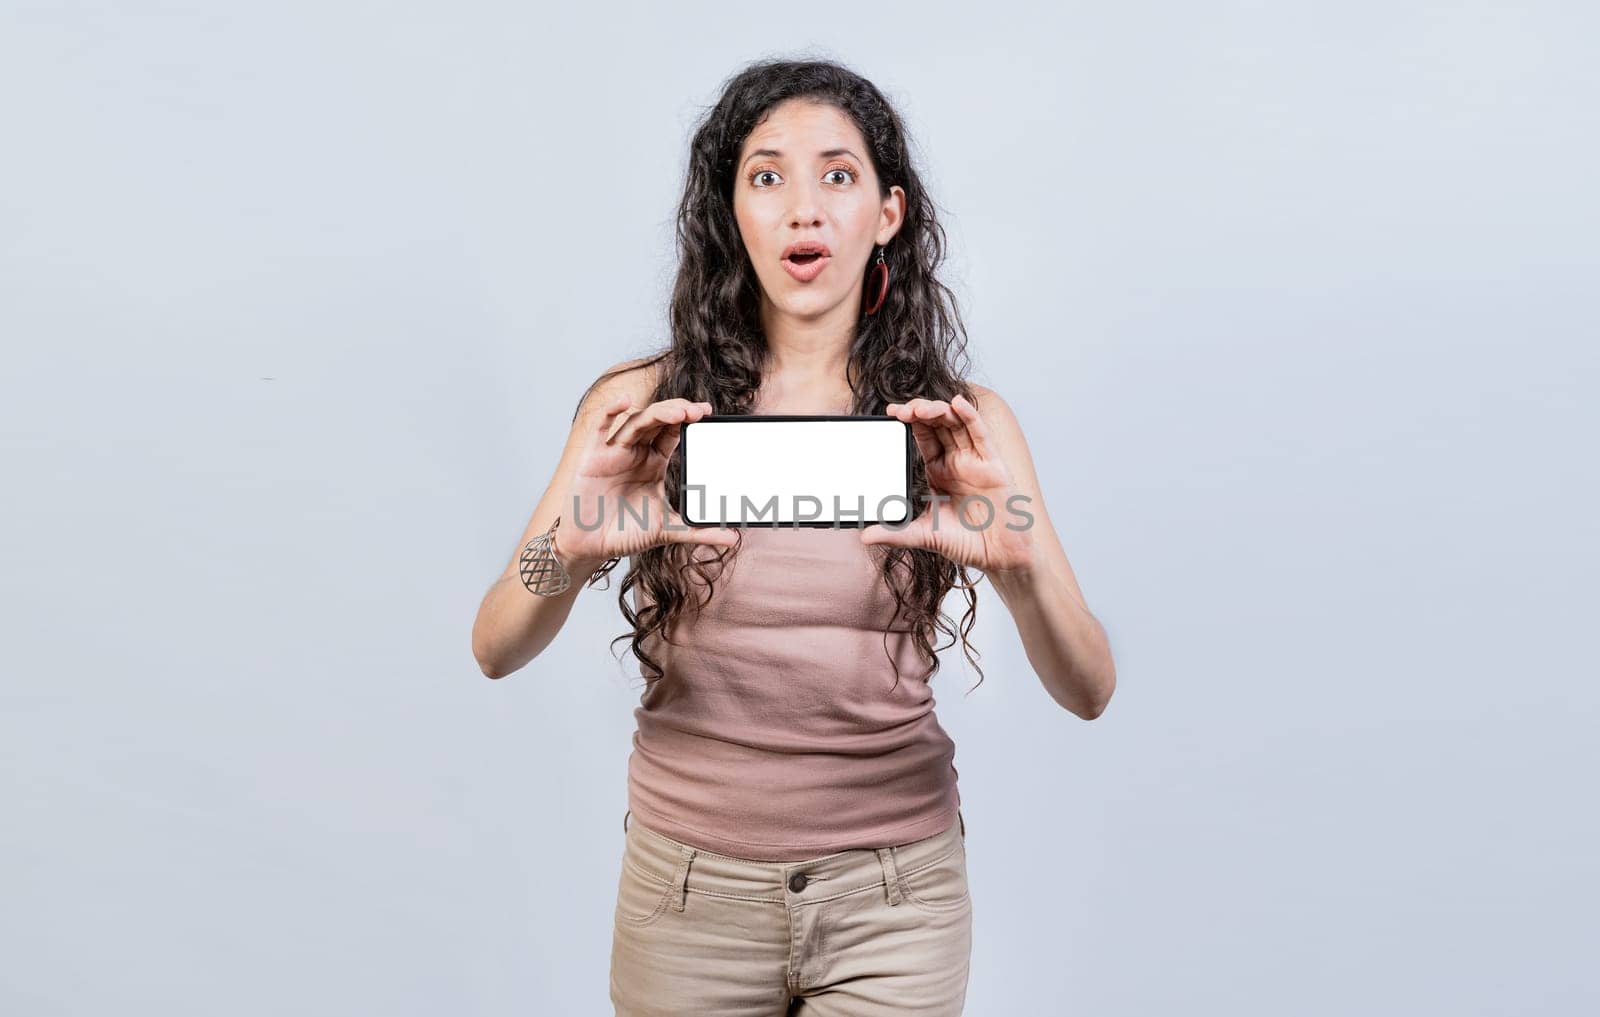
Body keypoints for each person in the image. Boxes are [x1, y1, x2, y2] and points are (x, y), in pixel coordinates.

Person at [470, 57, 1116, 1017]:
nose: (803, 209)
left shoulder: (960, 427)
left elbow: (1089, 687)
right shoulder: (635, 408)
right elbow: (495, 643)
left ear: (887, 213)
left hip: (896, 900)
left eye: (838, 176)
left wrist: (1020, 571)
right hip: (686, 899)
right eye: (767, 177)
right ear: (733, 212)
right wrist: (561, 551)